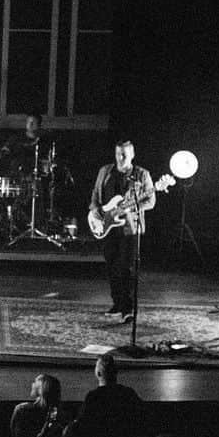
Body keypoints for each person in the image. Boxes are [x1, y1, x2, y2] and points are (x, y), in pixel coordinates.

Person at [88, 138, 156, 322]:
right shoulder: (105, 171)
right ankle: (117, 304)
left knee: (127, 268)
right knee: (112, 266)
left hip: (130, 228)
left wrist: (130, 208)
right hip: (108, 226)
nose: (120, 158)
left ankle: (129, 309)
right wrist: (94, 211)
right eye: (118, 153)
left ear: (132, 155)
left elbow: (150, 201)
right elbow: (95, 194)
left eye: (124, 154)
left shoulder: (142, 174)